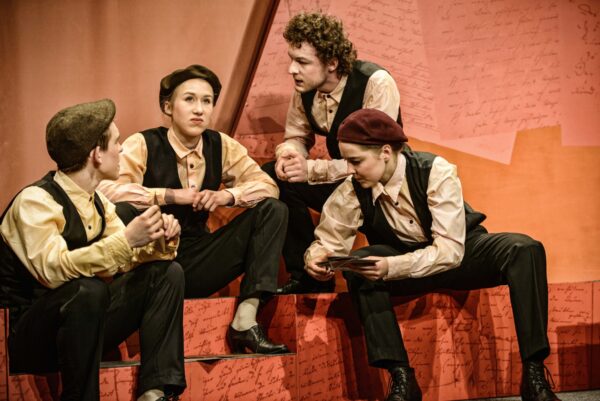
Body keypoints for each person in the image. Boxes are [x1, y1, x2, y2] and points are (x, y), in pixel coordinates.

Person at [303, 108, 561, 401]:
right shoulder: (353, 189)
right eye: (347, 161)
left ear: (385, 152)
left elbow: (450, 251)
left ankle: (534, 373)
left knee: (525, 249)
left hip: (460, 255)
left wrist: (393, 267)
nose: (350, 169)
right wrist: (316, 259)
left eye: (356, 161)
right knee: (360, 267)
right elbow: (329, 240)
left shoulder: (435, 170)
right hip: (405, 262)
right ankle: (402, 379)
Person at [0, 99, 186, 401]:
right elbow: (53, 271)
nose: (122, 149)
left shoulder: (97, 202)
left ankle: (155, 392)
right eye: (116, 141)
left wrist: (160, 240)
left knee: (166, 273)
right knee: (89, 290)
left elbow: (124, 257)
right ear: (96, 154)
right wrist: (127, 240)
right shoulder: (35, 201)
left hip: (82, 327)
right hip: (29, 339)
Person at [98, 65, 289, 355]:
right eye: (189, 99)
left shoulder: (221, 144)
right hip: (151, 265)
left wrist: (226, 196)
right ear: (168, 107)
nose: (199, 109)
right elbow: (107, 192)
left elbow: (267, 186)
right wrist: (170, 196)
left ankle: (245, 319)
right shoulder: (144, 143)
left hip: (197, 259)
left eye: (207, 101)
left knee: (273, 209)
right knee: (124, 210)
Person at [263, 11, 402, 294]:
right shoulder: (304, 89)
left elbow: (373, 159)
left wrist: (312, 170)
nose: (292, 69)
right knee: (275, 176)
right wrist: (290, 155)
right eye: (292, 59)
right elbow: (297, 135)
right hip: (344, 177)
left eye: (302, 62)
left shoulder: (375, 82)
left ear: (332, 63)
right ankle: (308, 276)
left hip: (381, 185)